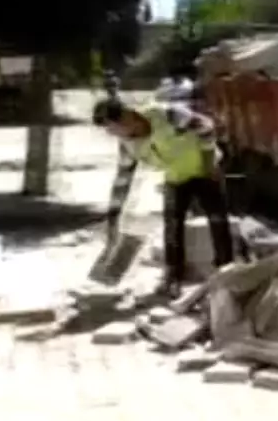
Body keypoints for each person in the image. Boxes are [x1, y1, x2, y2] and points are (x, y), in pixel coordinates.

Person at [91, 99, 235, 297]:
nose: (111, 134)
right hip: (175, 178)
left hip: (206, 171)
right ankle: (173, 278)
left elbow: (206, 127)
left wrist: (209, 164)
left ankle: (227, 272)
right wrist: (114, 223)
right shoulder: (128, 144)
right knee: (173, 228)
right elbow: (123, 181)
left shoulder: (168, 115)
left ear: (127, 116)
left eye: (112, 128)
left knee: (218, 221)